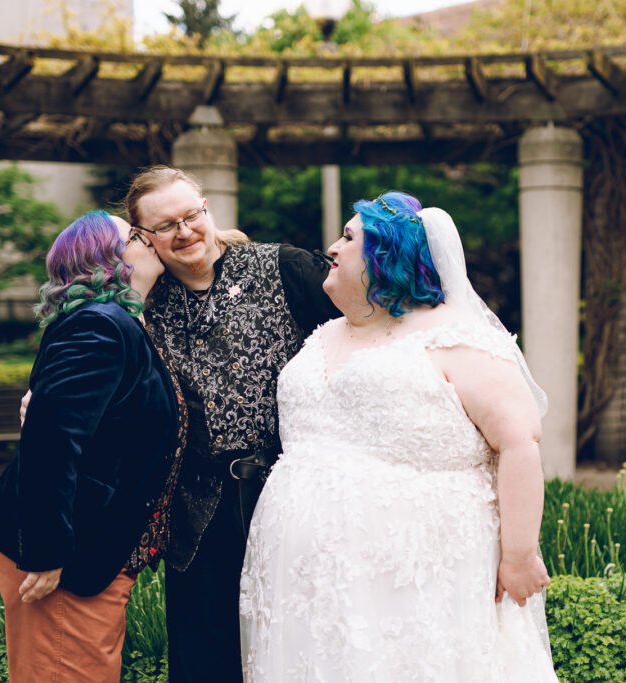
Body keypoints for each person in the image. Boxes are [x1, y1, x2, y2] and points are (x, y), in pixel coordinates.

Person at [239, 192, 560, 681]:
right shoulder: (324, 334)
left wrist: (518, 555)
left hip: (417, 578)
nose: (332, 247)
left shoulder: (456, 338)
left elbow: (519, 442)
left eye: (348, 237)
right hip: (304, 586)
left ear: (385, 253)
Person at [121, 166, 338, 681]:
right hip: (195, 513)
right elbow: (97, 361)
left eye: (191, 215)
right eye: (165, 226)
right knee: (206, 658)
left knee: (293, 645)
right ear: (143, 238)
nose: (184, 232)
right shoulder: (144, 299)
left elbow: (366, 333)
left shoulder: (284, 268)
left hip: (290, 496)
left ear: (206, 208)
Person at [0, 211, 186, 682]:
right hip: (64, 554)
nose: (152, 241)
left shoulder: (119, 322)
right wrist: (46, 552)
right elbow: (53, 440)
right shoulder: (100, 326)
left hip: (87, 545)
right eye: (137, 236)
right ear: (108, 258)